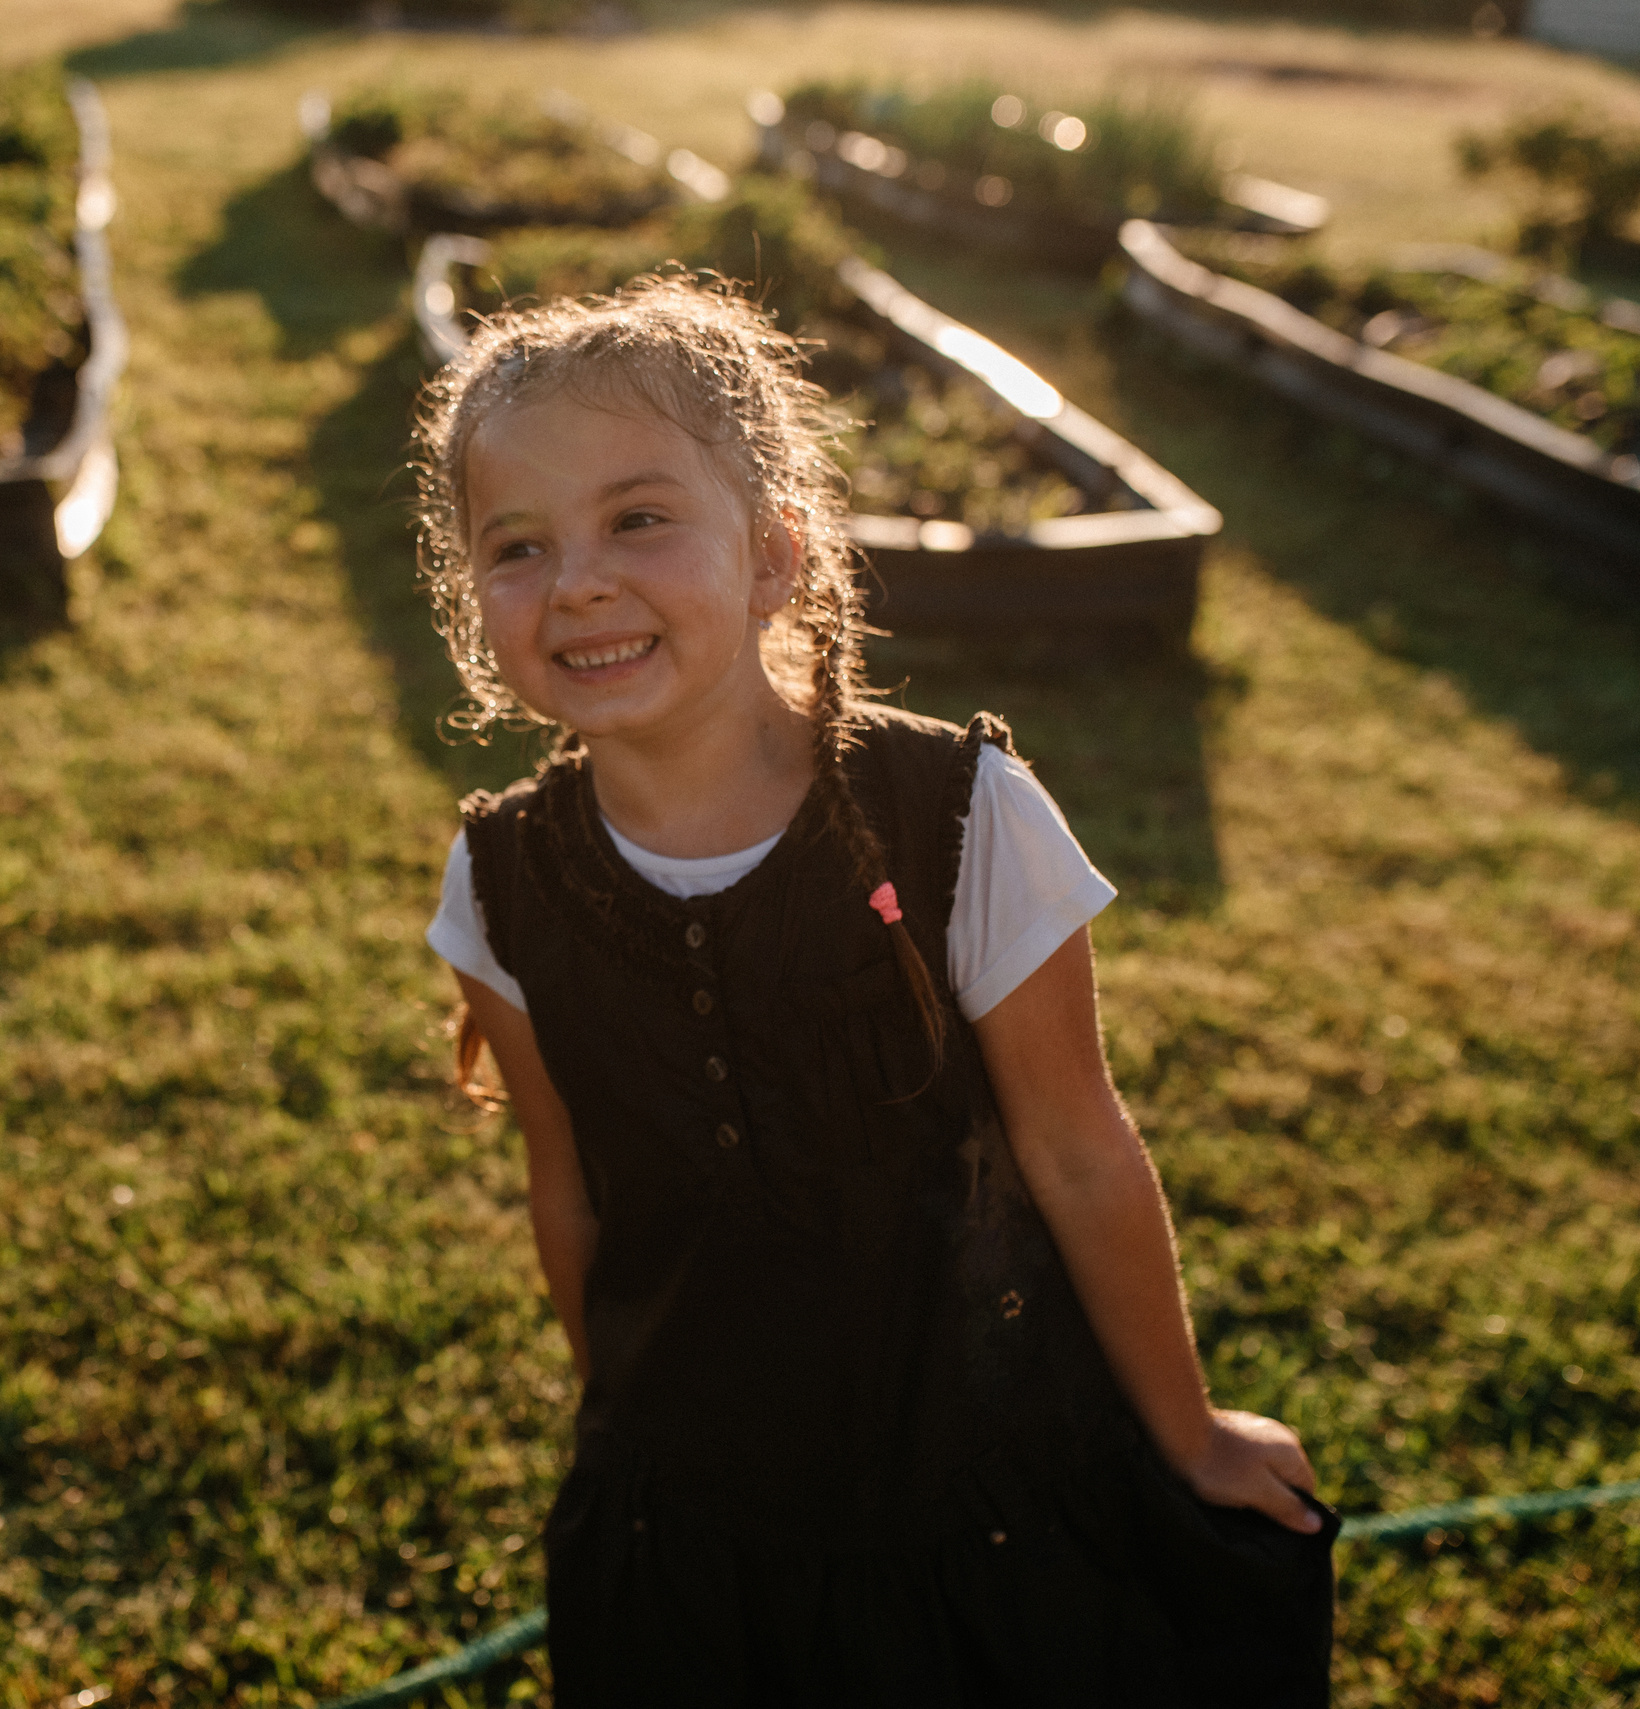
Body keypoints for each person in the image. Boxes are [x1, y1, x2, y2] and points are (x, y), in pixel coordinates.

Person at [413, 275, 1337, 1706]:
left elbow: (1079, 1149)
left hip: (986, 1490)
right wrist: (631, 1427)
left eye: (638, 518)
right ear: (472, 600)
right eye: (517, 545)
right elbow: (570, 1187)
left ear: (778, 553)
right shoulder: (502, 882)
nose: (579, 579)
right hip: (700, 1531)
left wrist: (1189, 1426)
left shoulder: (963, 819)